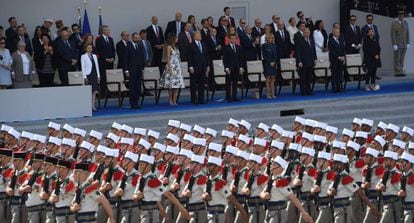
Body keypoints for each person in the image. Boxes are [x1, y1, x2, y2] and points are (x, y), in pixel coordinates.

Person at [159, 35, 185, 106]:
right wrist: (170, 68)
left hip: (177, 67)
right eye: (176, 38)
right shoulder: (169, 47)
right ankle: (170, 99)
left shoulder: (176, 48)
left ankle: (174, 99)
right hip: (171, 66)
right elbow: (168, 58)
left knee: (176, 85)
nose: (177, 40)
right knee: (171, 85)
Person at [123, 32, 145, 109]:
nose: (137, 39)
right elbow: (125, 60)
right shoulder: (128, 47)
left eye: (138, 38)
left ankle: (137, 101)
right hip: (131, 70)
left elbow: (142, 58)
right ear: (132, 38)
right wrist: (126, 71)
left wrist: (142, 69)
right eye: (135, 38)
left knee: (138, 87)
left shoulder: (140, 46)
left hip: (139, 70)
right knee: (132, 87)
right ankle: (132, 103)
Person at [188, 31, 210, 104]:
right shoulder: (191, 45)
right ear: (194, 36)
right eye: (199, 35)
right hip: (194, 67)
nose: (200, 36)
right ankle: (194, 99)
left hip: (203, 67)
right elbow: (189, 57)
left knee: (201, 84)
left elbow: (206, 55)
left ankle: (201, 99)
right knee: (194, 85)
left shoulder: (203, 44)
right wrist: (190, 67)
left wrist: (207, 65)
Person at [223, 34, 244, 102]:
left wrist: (241, 67)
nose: (233, 40)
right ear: (229, 39)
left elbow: (241, 58)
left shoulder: (239, 47)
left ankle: (234, 96)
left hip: (236, 68)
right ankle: (228, 96)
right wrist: (226, 68)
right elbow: (225, 59)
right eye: (232, 38)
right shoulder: (226, 47)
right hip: (229, 68)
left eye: (234, 38)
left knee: (235, 83)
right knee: (228, 83)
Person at [296, 28, 317, 96]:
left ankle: (309, 90)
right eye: (305, 32)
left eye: (308, 32)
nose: (307, 33)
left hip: (310, 62)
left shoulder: (311, 40)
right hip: (303, 62)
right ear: (303, 33)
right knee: (303, 78)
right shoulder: (300, 41)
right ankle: (303, 91)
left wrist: (315, 59)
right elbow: (298, 52)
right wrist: (299, 61)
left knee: (309, 78)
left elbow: (314, 51)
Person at [95, 25, 116, 94]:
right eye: (107, 30)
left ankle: (110, 92)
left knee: (110, 77)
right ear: (103, 31)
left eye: (108, 30)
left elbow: (113, 50)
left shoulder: (110, 39)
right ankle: (103, 93)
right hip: (103, 62)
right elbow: (99, 50)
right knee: (103, 78)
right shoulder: (98, 39)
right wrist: (105, 58)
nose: (108, 31)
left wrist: (113, 57)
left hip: (110, 62)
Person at [81, 44, 101, 111]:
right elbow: (83, 67)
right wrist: (85, 77)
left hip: (94, 74)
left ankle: (93, 106)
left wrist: (98, 76)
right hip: (88, 75)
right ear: (86, 49)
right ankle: (88, 106)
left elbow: (97, 66)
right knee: (88, 91)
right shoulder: (83, 56)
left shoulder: (94, 56)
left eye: (91, 48)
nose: (90, 49)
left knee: (94, 91)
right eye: (88, 48)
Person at [391, 10, 410, 77]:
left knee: (402, 58)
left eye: (403, 15)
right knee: (397, 58)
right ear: (398, 16)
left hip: (404, 44)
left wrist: (408, 42)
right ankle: (397, 71)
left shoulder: (405, 23)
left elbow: (407, 33)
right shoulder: (394, 24)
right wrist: (394, 44)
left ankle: (401, 70)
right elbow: (393, 34)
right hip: (398, 44)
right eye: (400, 15)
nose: (401, 17)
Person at [328, 28, 346, 93]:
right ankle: (334, 87)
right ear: (333, 33)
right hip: (334, 60)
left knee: (339, 74)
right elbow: (332, 51)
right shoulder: (330, 40)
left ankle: (339, 87)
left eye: (338, 32)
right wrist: (338, 57)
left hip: (341, 60)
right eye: (336, 32)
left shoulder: (341, 40)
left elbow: (343, 48)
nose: (338, 34)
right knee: (334, 74)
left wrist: (343, 56)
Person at [262, 33, 278, 99]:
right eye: (269, 38)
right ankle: (268, 94)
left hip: (273, 64)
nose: (270, 39)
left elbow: (276, 55)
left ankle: (273, 94)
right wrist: (269, 62)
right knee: (268, 79)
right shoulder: (264, 46)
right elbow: (264, 56)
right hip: (267, 64)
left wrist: (274, 62)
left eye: (271, 38)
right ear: (266, 39)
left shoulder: (274, 45)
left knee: (273, 79)